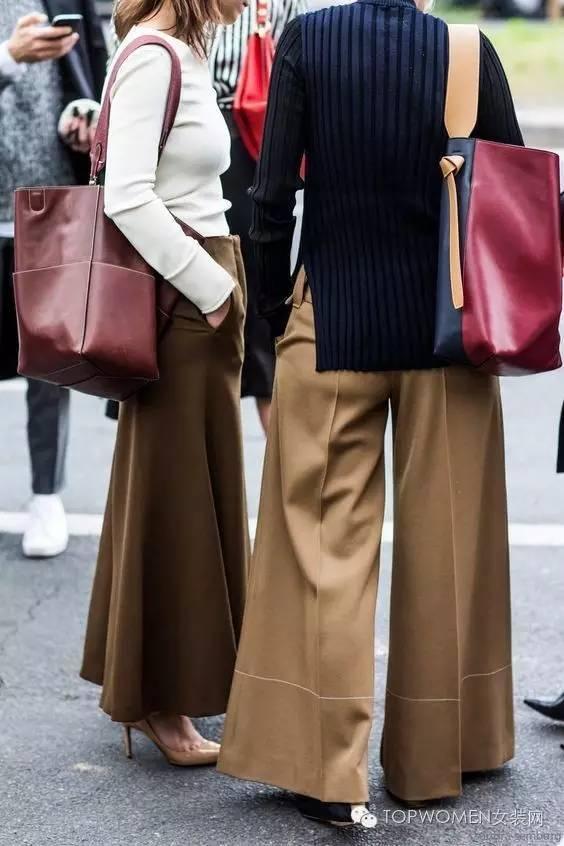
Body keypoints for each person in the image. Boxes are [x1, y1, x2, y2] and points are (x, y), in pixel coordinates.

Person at [218, 0, 524, 827]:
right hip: (450, 329)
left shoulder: (308, 41)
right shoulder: (468, 52)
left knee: (321, 544)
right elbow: (512, 189)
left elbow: (270, 201)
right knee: (448, 543)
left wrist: (272, 325)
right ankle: (436, 753)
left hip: (332, 319)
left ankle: (326, 771)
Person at [80, 0, 249, 766]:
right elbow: (126, 194)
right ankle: (159, 703)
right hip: (184, 293)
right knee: (175, 499)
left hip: (195, 287)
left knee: (174, 490)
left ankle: (152, 686)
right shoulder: (155, 56)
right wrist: (209, 287)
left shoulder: (182, 51)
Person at [0, 1, 107, 558]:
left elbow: (97, 71)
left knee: (48, 360)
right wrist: (8, 57)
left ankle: (46, 495)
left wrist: (85, 116)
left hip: (49, 203)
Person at [210, 0, 306, 434]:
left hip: (248, 140)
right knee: (239, 305)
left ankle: (281, 466)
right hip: (225, 139)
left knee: (255, 306)